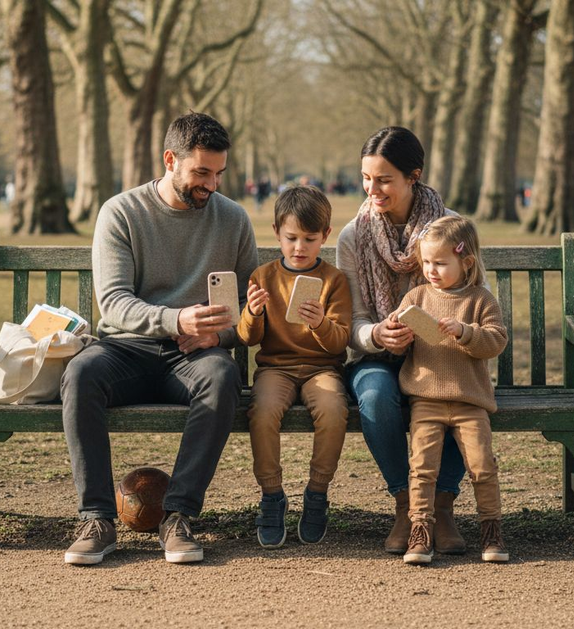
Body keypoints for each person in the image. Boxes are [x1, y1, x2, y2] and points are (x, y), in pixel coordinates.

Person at [61, 112, 258, 566]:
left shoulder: (233, 220)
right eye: (201, 173)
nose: (211, 185)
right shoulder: (121, 212)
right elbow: (113, 303)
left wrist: (219, 333)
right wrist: (177, 319)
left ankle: (179, 517)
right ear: (170, 159)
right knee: (80, 373)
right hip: (125, 347)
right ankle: (97, 519)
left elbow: (249, 305)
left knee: (222, 377)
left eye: (219, 174)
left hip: (194, 355)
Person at [336, 126, 471, 556]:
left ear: (414, 176)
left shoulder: (450, 232)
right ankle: (406, 506)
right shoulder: (353, 237)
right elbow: (353, 318)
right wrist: (376, 334)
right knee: (375, 397)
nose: (372, 189)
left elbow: (474, 298)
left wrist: (440, 330)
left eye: (384, 180)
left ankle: (443, 506)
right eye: (366, 178)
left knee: (453, 391)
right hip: (376, 354)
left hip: (440, 353)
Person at [387, 216, 508, 565]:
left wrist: (464, 331)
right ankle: (420, 531)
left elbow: (495, 341)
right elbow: (398, 339)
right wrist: (398, 331)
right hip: (426, 399)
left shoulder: (480, 300)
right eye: (426, 262)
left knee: (482, 465)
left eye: (440, 263)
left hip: (470, 401)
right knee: (422, 467)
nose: (431, 270)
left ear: (465, 261)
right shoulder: (417, 296)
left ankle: (491, 529)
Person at [237, 186, 352, 548]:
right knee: (263, 410)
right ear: (276, 233)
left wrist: (320, 323)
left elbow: (339, 342)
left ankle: (317, 493)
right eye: (291, 238)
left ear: (325, 237)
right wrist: (253, 312)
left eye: (309, 238)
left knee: (334, 409)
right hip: (277, 368)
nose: (299, 247)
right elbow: (247, 337)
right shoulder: (263, 276)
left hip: (322, 369)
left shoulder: (333, 281)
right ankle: (272, 495)